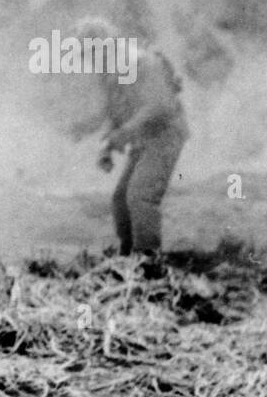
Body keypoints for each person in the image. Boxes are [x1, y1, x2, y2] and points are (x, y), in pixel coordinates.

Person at [69, 18, 188, 255]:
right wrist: (107, 145)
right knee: (121, 200)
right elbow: (117, 110)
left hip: (165, 135)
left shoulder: (140, 62)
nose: (89, 60)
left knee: (141, 196)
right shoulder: (113, 68)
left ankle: (147, 262)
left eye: (91, 52)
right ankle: (127, 257)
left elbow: (158, 106)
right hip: (144, 138)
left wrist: (122, 134)